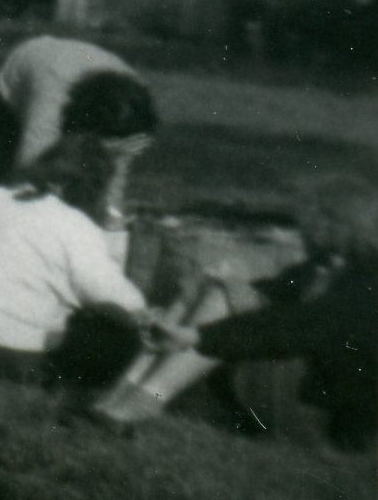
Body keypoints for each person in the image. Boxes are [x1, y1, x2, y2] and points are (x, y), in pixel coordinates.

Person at [87, 175, 377, 444]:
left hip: (323, 415)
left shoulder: (367, 284)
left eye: (308, 219)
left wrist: (198, 337)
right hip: (300, 389)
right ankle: (122, 395)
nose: (302, 228)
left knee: (228, 297)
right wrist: (207, 286)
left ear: (330, 224)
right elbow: (267, 294)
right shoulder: (323, 268)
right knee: (210, 288)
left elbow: (288, 328)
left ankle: (145, 400)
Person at [0, 134, 154, 387]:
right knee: (119, 333)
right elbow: (114, 296)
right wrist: (144, 311)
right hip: (4, 352)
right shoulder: (74, 222)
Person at [0, 35, 157, 198]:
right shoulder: (53, 92)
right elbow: (31, 169)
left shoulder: (133, 100)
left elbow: (114, 175)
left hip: (66, 86)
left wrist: (110, 218)